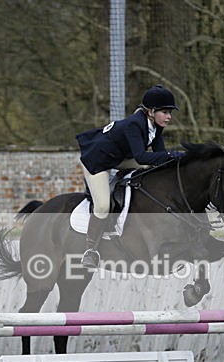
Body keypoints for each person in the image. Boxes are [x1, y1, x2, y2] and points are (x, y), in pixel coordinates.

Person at [75, 85, 184, 268]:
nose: (169, 117)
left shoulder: (156, 126)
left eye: (169, 112)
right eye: (165, 112)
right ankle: (90, 251)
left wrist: (177, 161)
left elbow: (160, 156)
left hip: (118, 158)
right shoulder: (135, 124)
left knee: (151, 167)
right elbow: (141, 156)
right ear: (151, 112)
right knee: (103, 205)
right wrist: (173, 155)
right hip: (97, 162)